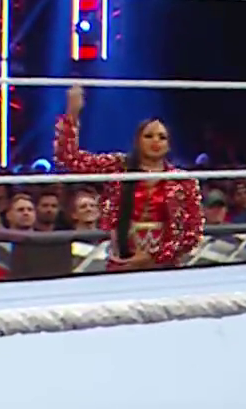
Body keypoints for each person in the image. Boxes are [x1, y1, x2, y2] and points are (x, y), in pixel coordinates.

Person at [54, 85, 203, 271]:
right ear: (137, 141)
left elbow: (192, 234)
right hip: (120, 261)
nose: (155, 141)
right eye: (148, 136)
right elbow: (69, 159)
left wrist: (155, 257)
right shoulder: (119, 167)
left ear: (169, 145)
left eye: (162, 137)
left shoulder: (184, 181)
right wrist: (72, 114)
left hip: (165, 265)